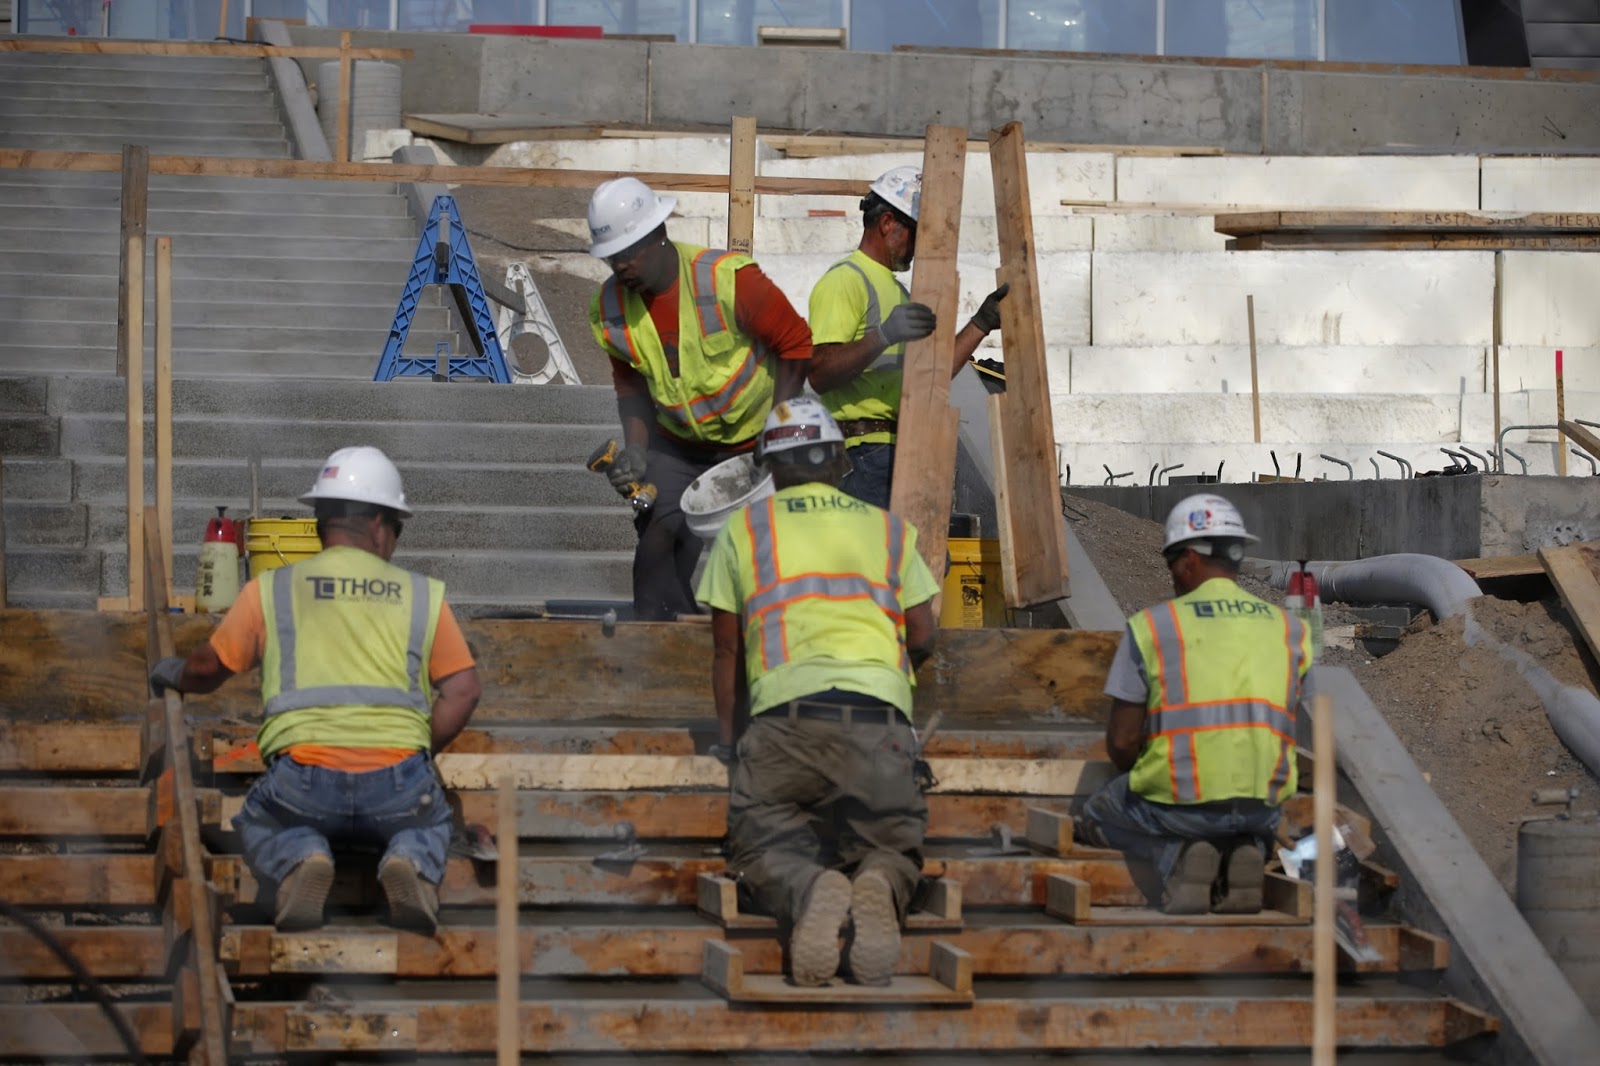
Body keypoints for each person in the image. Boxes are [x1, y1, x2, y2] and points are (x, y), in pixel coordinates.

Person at [148, 446, 482, 935]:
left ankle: (300, 857)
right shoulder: (421, 595)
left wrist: (170, 671)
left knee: (259, 821)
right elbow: (464, 690)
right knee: (433, 824)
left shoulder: (273, 589)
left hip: (303, 782)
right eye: (398, 527)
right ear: (377, 524)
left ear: (323, 521)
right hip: (397, 784)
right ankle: (410, 860)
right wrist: (413, 750)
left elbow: (208, 669)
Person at [696, 397, 941, 988]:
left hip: (787, 721)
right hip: (880, 721)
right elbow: (923, 635)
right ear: (837, 459)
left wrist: (730, 746)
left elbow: (726, 652)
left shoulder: (744, 530)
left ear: (771, 468)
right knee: (889, 841)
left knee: (760, 843)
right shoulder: (888, 530)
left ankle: (809, 889)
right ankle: (878, 881)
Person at [586, 176, 814, 620]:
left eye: (628, 252)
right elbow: (631, 386)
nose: (620, 267)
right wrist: (635, 448)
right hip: (680, 444)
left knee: (765, 558)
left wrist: (777, 427)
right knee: (656, 544)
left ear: (658, 235)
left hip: (754, 440)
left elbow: (797, 345)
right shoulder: (611, 306)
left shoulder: (728, 280)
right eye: (612, 258)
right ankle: (660, 650)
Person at [1075, 494, 1312, 914]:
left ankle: (1180, 859)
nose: (1172, 577)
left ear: (1188, 559)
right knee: (1234, 820)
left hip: (1182, 805)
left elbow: (1123, 744)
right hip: (1264, 807)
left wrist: (1157, 772)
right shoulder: (1290, 630)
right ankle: (1245, 852)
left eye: (1171, 565)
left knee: (1097, 812)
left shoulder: (1153, 627)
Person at [806, 165, 1011, 508]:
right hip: (862, 456)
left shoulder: (898, 293)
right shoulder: (846, 280)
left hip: (900, 450)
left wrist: (980, 323)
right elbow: (820, 373)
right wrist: (883, 335)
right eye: (916, 232)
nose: (920, 246)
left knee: (917, 560)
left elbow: (932, 375)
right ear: (887, 222)